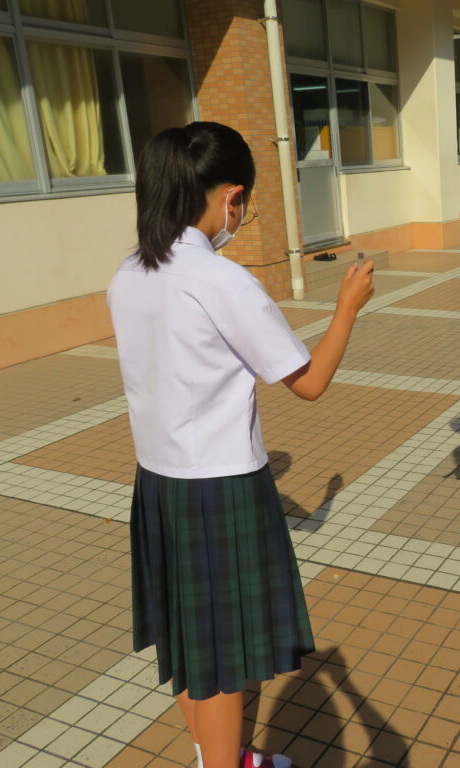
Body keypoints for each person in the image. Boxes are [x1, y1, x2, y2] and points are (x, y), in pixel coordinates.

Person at [107, 122, 374, 768]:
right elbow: (308, 382)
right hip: (220, 487)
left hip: (158, 484)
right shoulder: (219, 279)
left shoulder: (130, 271)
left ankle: (216, 756)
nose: (242, 216)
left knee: (189, 644)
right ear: (231, 197)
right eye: (244, 204)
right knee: (223, 660)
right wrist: (347, 307)